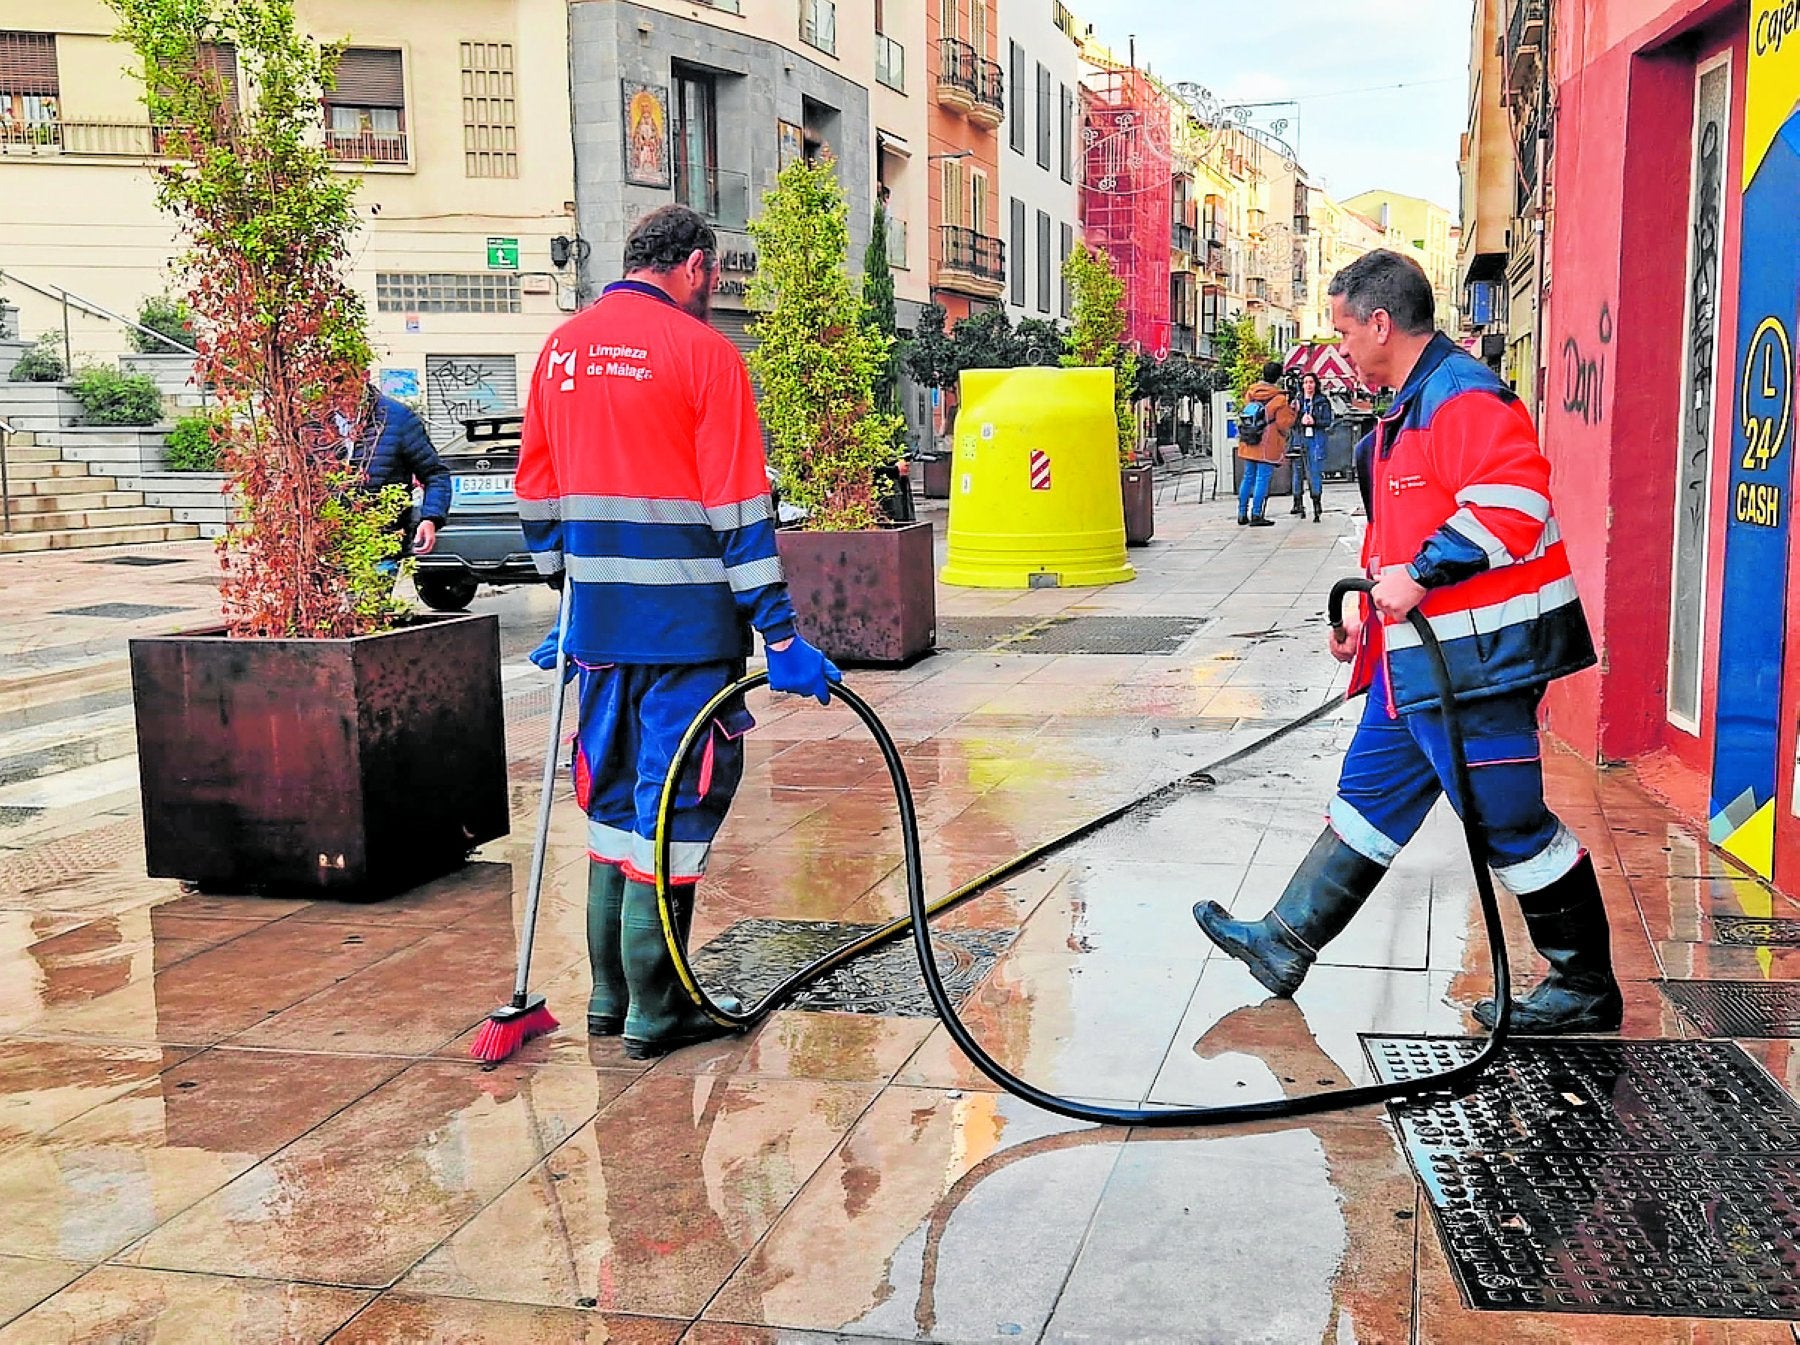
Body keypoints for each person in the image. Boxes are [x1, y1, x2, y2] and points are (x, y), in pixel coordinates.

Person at [1194, 249, 1619, 1034]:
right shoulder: (1406, 407)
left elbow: (1513, 501)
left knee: (1507, 821)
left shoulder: (1460, 397)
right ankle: (1284, 942)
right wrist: (1367, 615)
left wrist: (1419, 575)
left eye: (1344, 330)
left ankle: (1583, 984)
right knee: (1368, 798)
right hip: (1423, 665)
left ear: (1381, 323)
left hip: (1478, 668)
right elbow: (1404, 531)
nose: (1341, 347)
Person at [514, 205, 840, 1060]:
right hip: (687, 635)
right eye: (715, 276)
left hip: (603, 637)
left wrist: (567, 603)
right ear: (696, 264)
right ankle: (659, 1010)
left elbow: (536, 498)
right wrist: (782, 637)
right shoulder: (705, 356)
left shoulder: (561, 350)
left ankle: (610, 998)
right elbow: (740, 513)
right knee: (673, 812)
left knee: (615, 805)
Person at [336, 378, 449, 558]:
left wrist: (430, 518)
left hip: (383, 543)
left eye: (341, 379)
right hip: (326, 545)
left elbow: (435, 474)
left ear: (363, 375)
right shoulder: (313, 421)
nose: (337, 388)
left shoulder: (398, 418)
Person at [1236, 360, 1296, 527]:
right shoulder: (1279, 398)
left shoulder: (1251, 392)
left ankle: (1241, 513)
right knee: (1262, 478)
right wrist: (1294, 412)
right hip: (1267, 443)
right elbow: (1284, 424)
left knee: (1248, 477)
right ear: (1278, 377)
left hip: (1249, 439)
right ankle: (1256, 514)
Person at [1286, 371, 1334, 522]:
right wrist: (1298, 417)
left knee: (1314, 472)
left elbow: (1327, 421)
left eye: (1311, 382)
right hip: (1299, 439)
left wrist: (1315, 421)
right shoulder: (1297, 401)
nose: (1308, 385)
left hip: (1316, 439)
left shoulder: (1322, 401)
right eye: (1306, 382)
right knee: (1297, 472)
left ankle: (1316, 502)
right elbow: (1289, 421)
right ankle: (1297, 502)